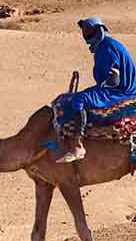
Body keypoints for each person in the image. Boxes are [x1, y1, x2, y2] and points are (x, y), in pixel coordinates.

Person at [52, 16, 136, 163]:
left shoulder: (107, 47)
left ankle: (78, 146)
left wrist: (100, 88)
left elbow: (113, 79)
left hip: (121, 89)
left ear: (99, 30)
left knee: (79, 99)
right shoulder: (104, 46)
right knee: (78, 97)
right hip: (116, 86)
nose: (86, 34)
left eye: (89, 30)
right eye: (84, 30)